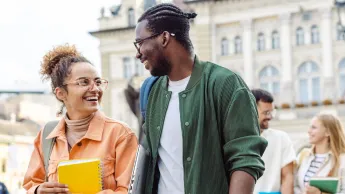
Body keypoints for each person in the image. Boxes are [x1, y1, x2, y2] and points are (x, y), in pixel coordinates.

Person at [134, 4, 267, 194]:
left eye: (140, 42)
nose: (138, 53)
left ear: (164, 38)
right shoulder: (152, 91)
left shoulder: (225, 84)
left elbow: (245, 159)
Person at [23, 44, 138, 194]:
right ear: (61, 93)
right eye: (84, 82)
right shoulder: (46, 135)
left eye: (97, 82)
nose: (95, 89)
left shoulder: (121, 134)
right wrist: (38, 190)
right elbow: (31, 185)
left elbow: (132, 189)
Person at [251, 89, 296, 194]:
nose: (270, 117)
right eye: (266, 113)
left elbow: (287, 177)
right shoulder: (233, 139)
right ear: (251, 110)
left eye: (272, 112)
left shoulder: (281, 138)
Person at [294, 113, 345, 194]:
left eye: (313, 127)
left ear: (328, 132)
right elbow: (295, 185)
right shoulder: (303, 155)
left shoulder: (342, 160)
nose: (309, 131)